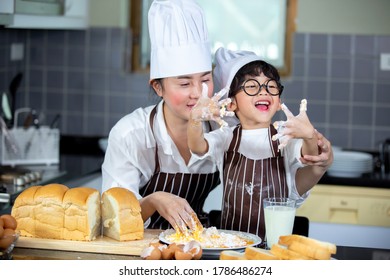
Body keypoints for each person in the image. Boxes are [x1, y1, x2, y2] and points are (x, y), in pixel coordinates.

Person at [188, 47, 332, 240]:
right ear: (231, 104)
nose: (263, 92)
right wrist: (195, 120)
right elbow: (198, 146)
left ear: (278, 99)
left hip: (275, 249)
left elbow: (310, 156)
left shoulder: (286, 135)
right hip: (233, 247)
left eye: (270, 86)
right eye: (251, 87)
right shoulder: (227, 137)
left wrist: (308, 136)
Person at [101, 0, 221, 233]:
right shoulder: (130, 135)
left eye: (205, 79)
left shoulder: (221, 129)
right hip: (141, 251)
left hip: (200, 245)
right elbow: (111, 219)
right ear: (158, 87)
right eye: (185, 83)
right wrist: (153, 200)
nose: (198, 93)